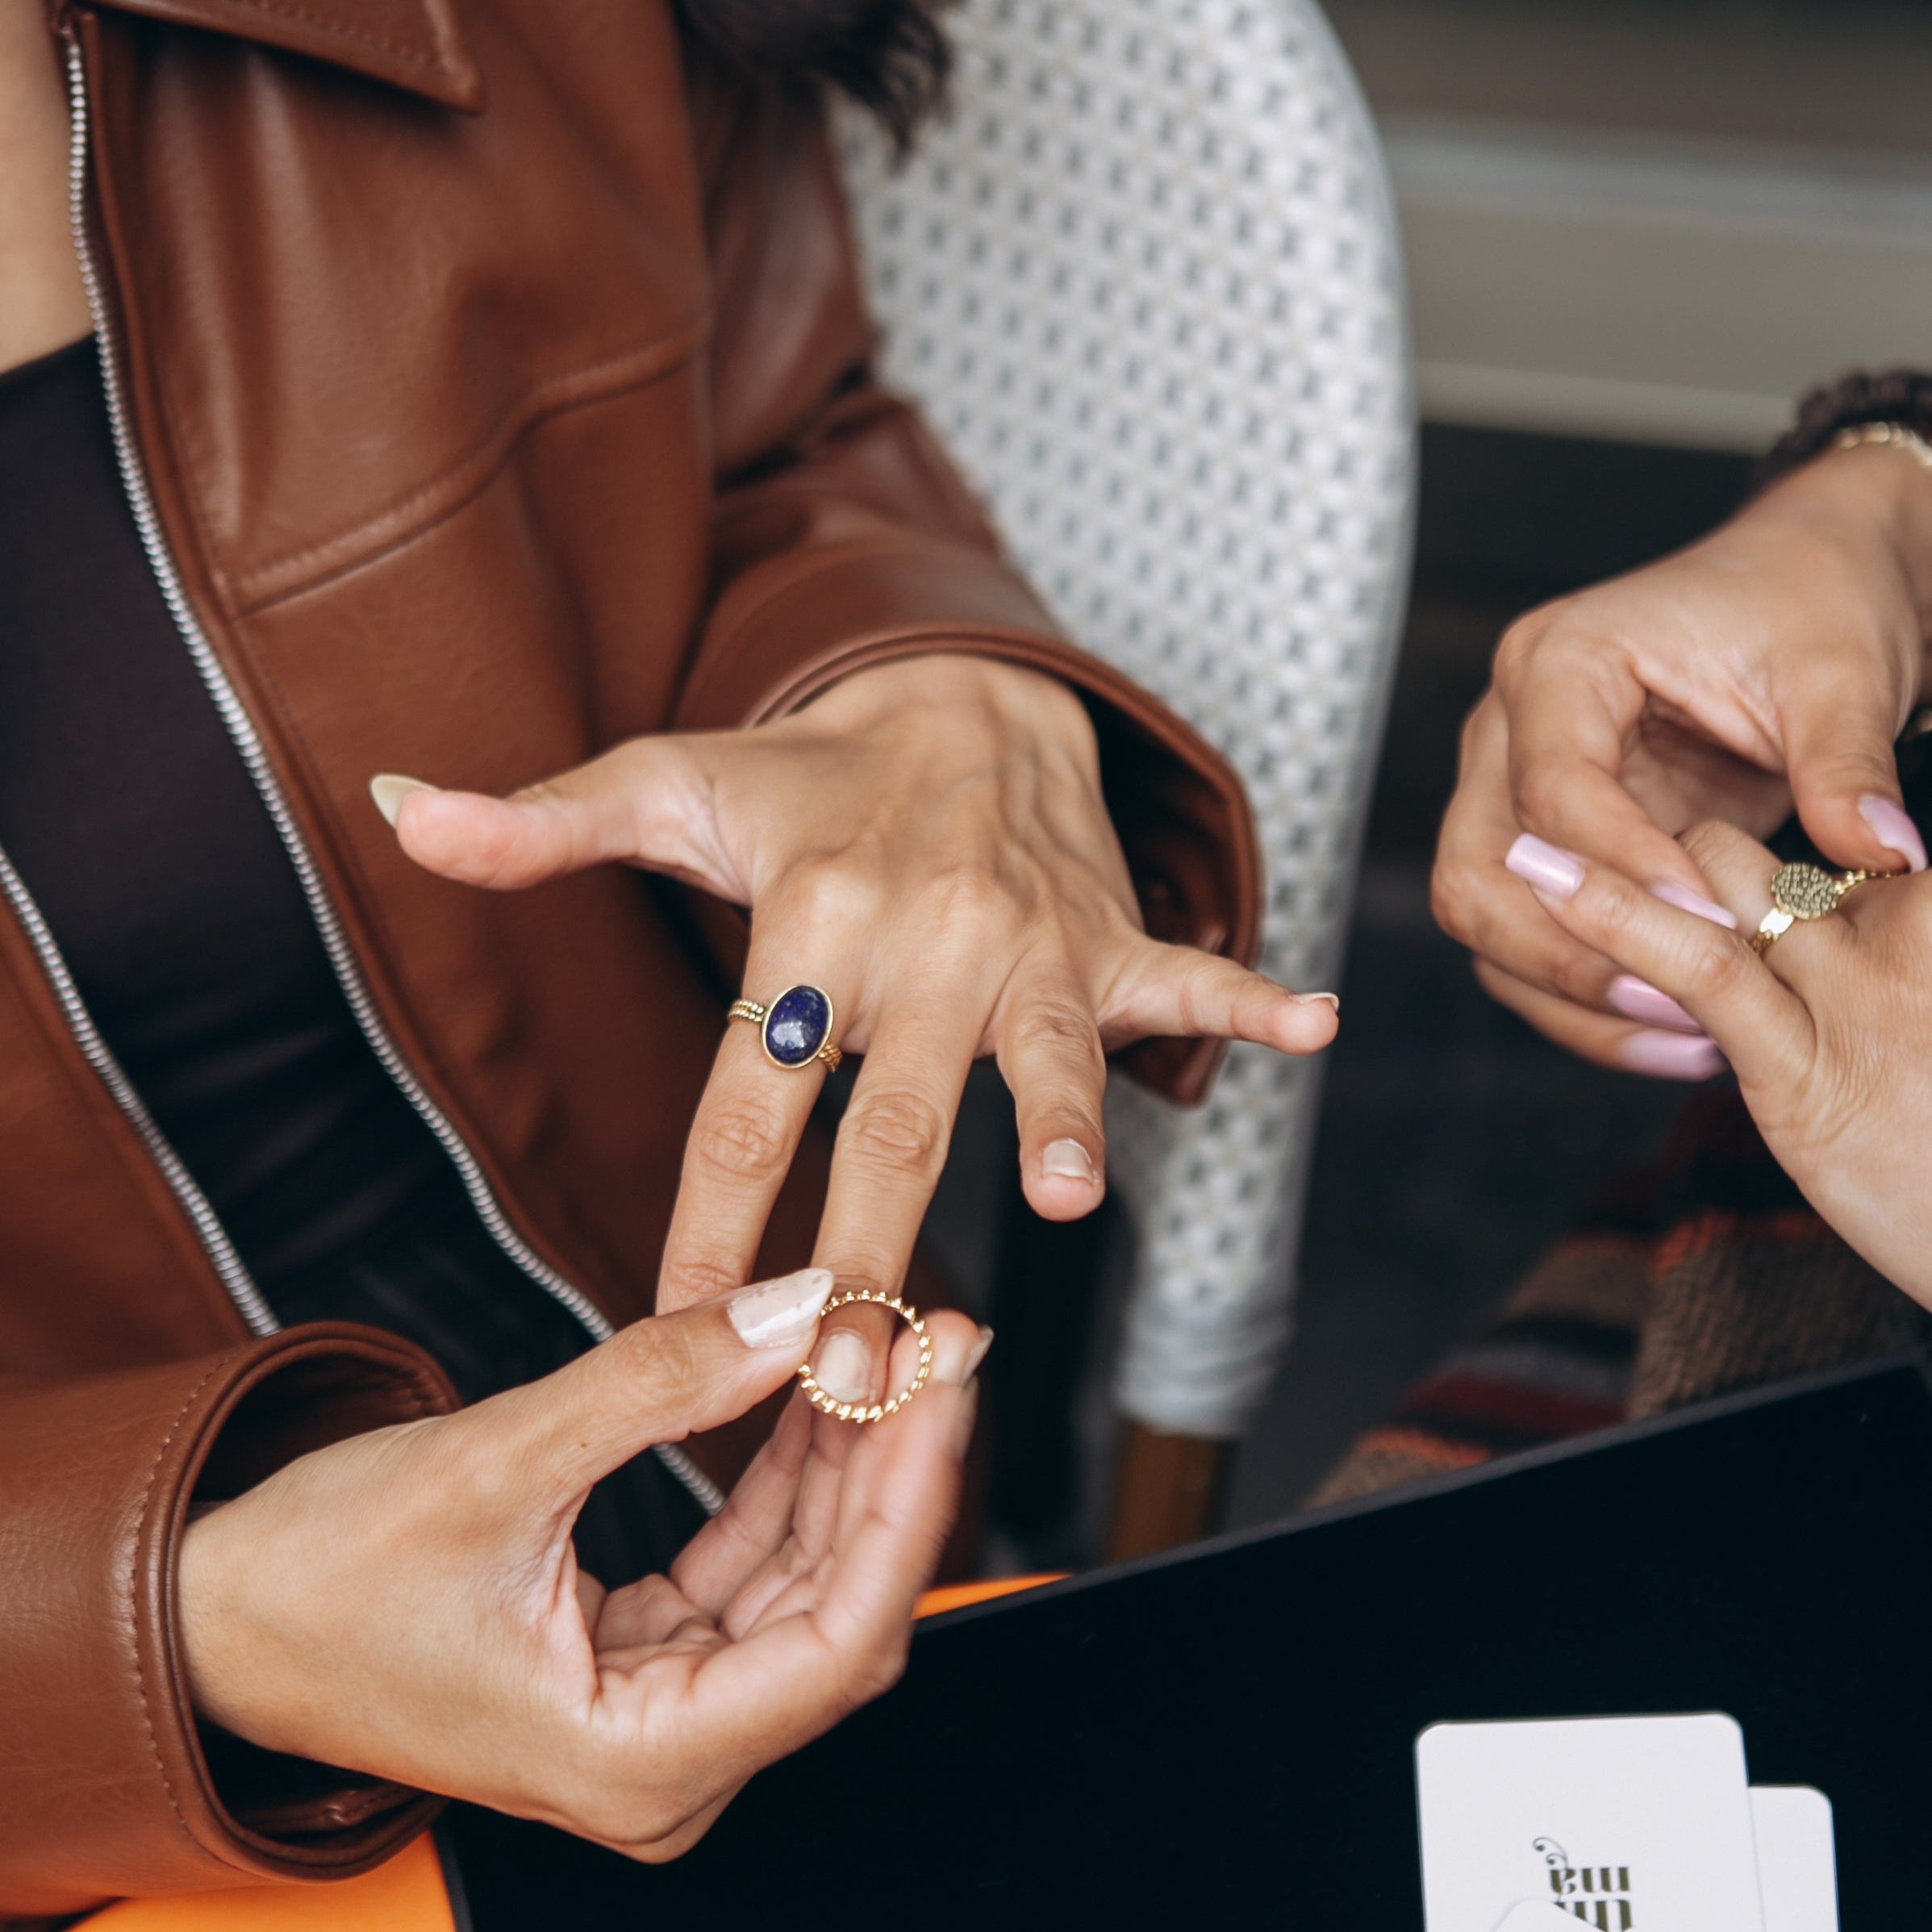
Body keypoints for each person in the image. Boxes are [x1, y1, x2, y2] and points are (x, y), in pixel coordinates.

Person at [0, 0, 1340, 1915]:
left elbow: (781, 443)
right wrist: (193, 1626)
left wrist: (919, 693)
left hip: (823, 1526)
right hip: (136, 1811)